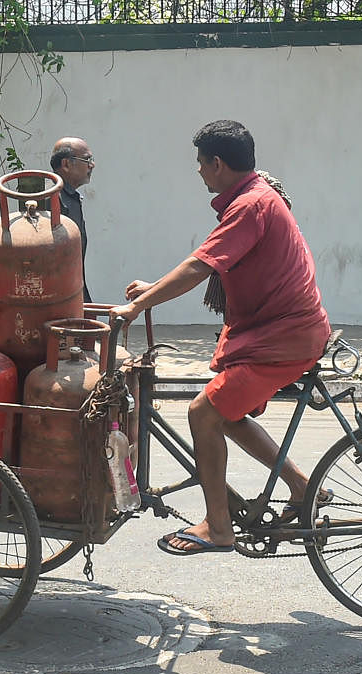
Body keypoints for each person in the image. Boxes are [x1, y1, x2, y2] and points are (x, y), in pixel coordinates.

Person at [111, 120, 331, 556]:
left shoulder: (251, 205)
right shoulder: (256, 197)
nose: (199, 173)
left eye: (200, 164)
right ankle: (303, 486)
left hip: (285, 338)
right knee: (227, 413)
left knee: (202, 413)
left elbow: (200, 267)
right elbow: (207, 259)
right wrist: (152, 290)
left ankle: (218, 526)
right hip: (285, 332)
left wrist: (139, 306)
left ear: (217, 163)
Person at [51, 137, 95, 302]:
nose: (92, 165)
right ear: (66, 164)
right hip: (60, 300)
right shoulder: (53, 198)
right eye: (87, 159)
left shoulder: (70, 197)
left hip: (74, 293)